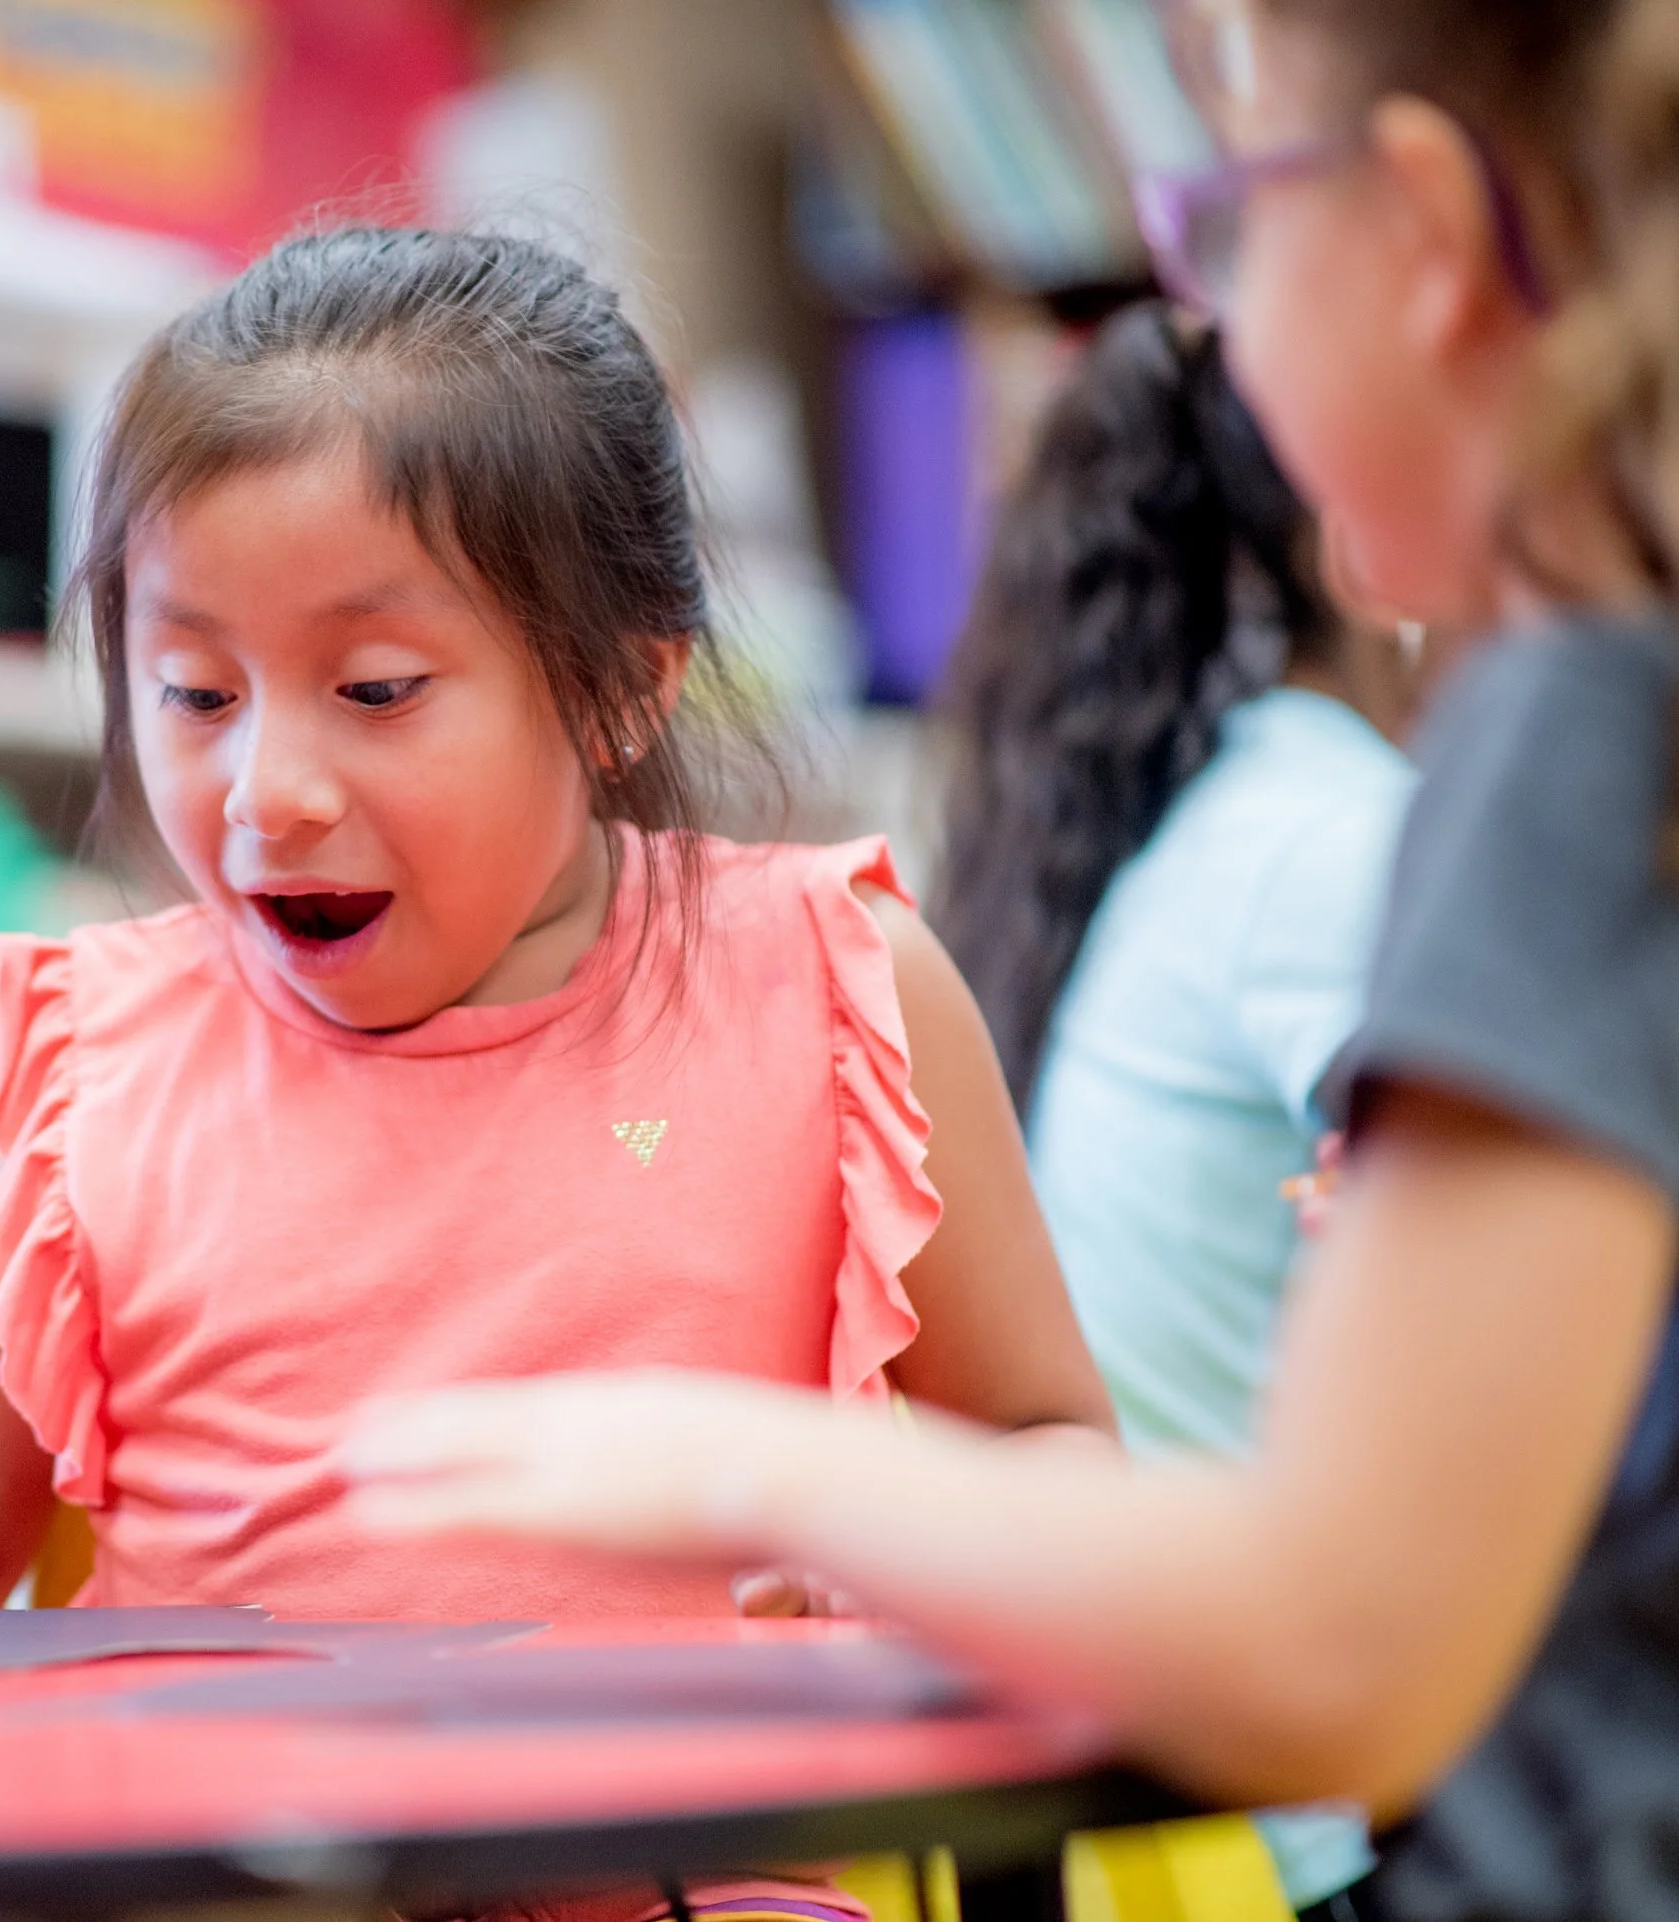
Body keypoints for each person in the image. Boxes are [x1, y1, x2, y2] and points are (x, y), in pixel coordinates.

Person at [342, 8, 1679, 1920]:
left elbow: (1337, 1654)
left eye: (1222, 223)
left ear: (1428, 237)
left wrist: (749, 1464)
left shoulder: (1579, 737)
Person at [0, 228, 1110, 1634]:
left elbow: (1063, 1462)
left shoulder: (831, 984)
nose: (272, 792)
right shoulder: (92, 1053)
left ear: (624, 686)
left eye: (376, 690)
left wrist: (907, 1541)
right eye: (195, 693)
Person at [932, 304, 1417, 1916]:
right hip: (1320, 1823)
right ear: (1355, 543)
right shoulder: (1327, 832)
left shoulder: (1187, 822)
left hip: (1181, 1819)